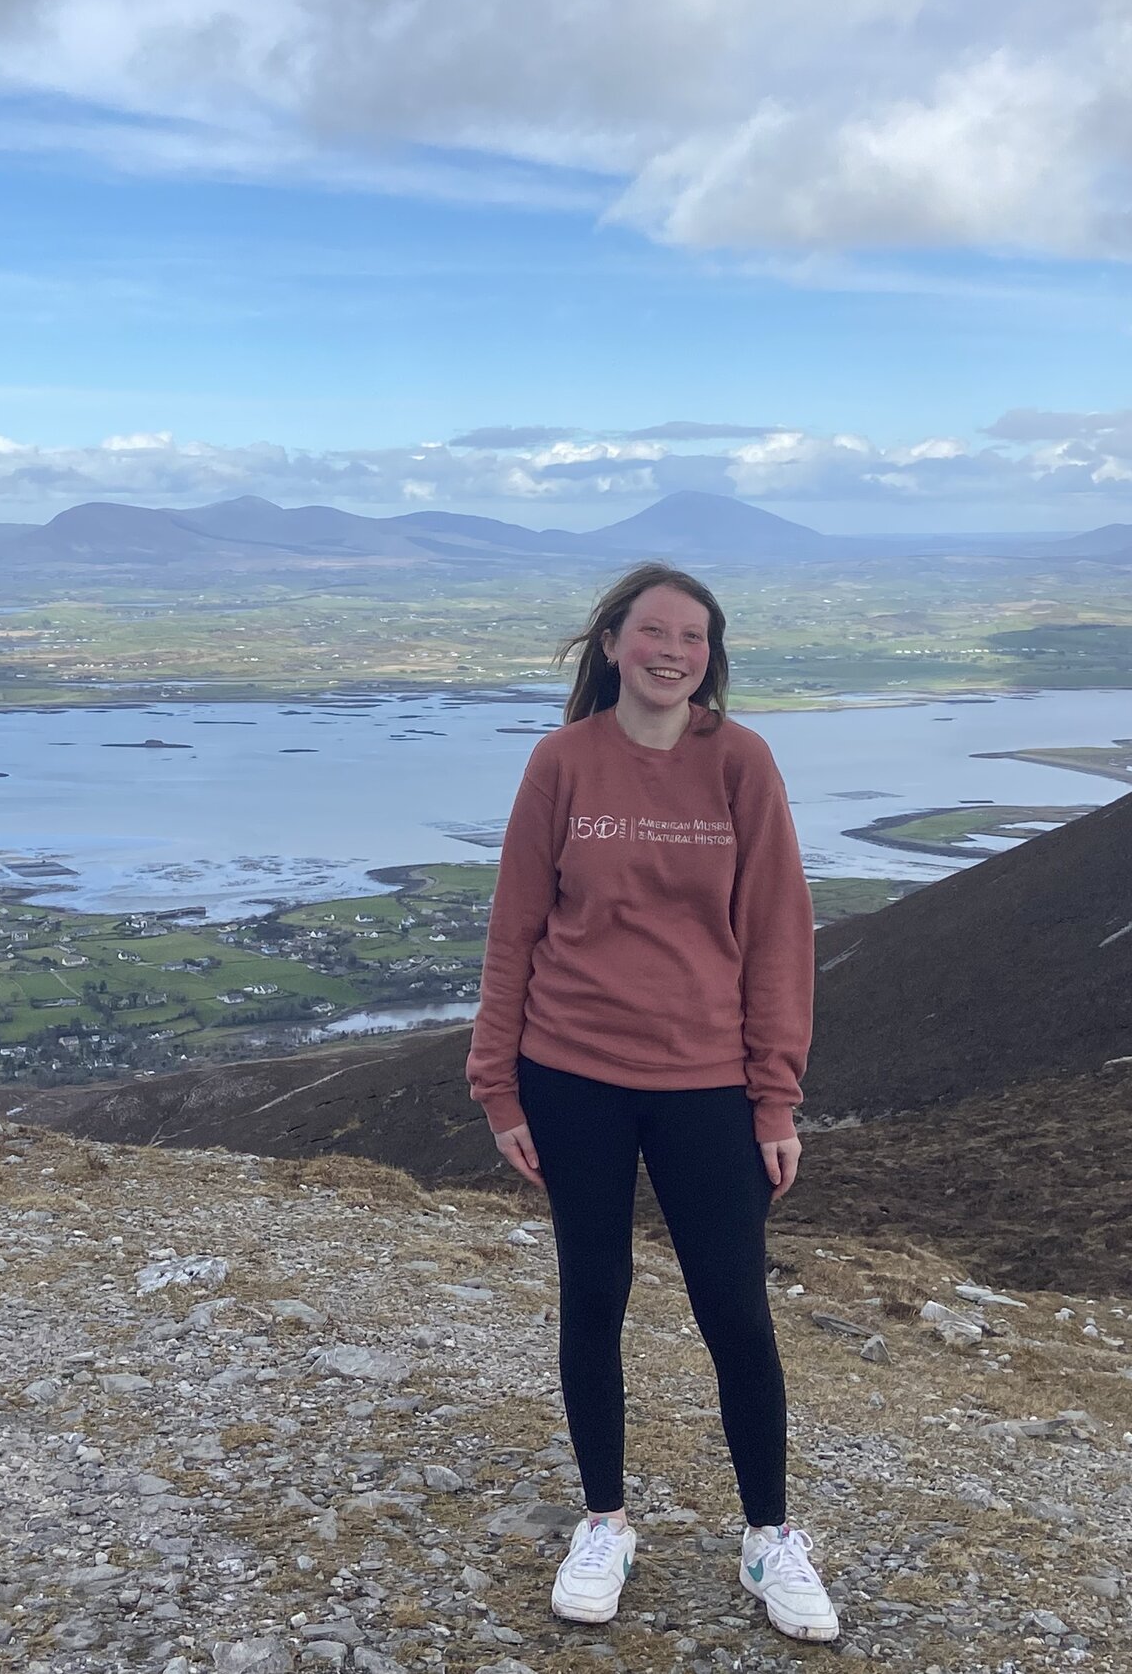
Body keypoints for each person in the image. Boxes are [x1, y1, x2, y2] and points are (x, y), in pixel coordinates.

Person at [465, 562, 835, 1643]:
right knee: (594, 1294)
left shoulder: (740, 763)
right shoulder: (563, 762)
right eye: (653, 632)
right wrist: (497, 1085)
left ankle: (768, 1537)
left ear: (709, 656)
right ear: (613, 643)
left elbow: (776, 937)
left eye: (694, 638)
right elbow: (513, 930)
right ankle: (604, 1521)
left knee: (734, 1308)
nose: (674, 651)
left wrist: (775, 1099)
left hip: (707, 1084)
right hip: (568, 1073)